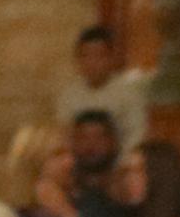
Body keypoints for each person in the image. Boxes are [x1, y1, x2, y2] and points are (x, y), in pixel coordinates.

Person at [58, 20, 155, 148]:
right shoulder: (69, 95)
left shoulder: (129, 93)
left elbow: (137, 135)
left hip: (120, 163)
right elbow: (66, 136)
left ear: (111, 58)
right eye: (86, 56)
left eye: (99, 56)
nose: (92, 62)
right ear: (78, 60)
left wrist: (121, 165)